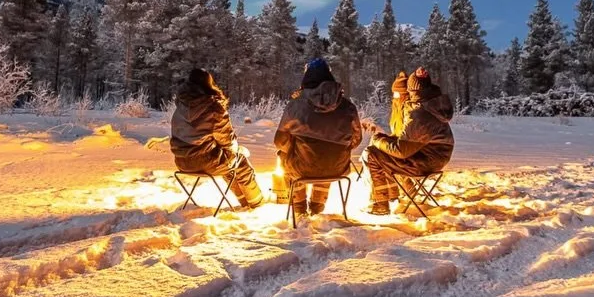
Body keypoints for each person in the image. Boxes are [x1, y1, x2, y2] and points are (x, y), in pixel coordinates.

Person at [273, 57, 363, 219]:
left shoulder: (296, 105)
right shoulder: (348, 106)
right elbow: (356, 139)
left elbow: (280, 142)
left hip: (302, 168)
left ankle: (299, 207)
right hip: (338, 168)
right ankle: (317, 205)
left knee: (285, 156)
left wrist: (295, 149)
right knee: (327, 155)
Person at [364, 67, 454, 215]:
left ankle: (380, 203)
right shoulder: (432, 106)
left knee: (372, 154)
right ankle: (391, 196)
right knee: (383, 150)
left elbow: (400, 151)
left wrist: (377, 139)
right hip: (434, 157)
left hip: (426, 161)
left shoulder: (420, 114)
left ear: (412, 91)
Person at [169, 68, 263, 209]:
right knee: (239, 161)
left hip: (182, 161)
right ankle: (257, 203)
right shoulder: (213, 107)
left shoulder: (180, 108)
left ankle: (244, 201)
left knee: (227, 161)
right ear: (209, 84)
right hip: (206, 162)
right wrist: (238, 150)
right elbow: (226, 140)